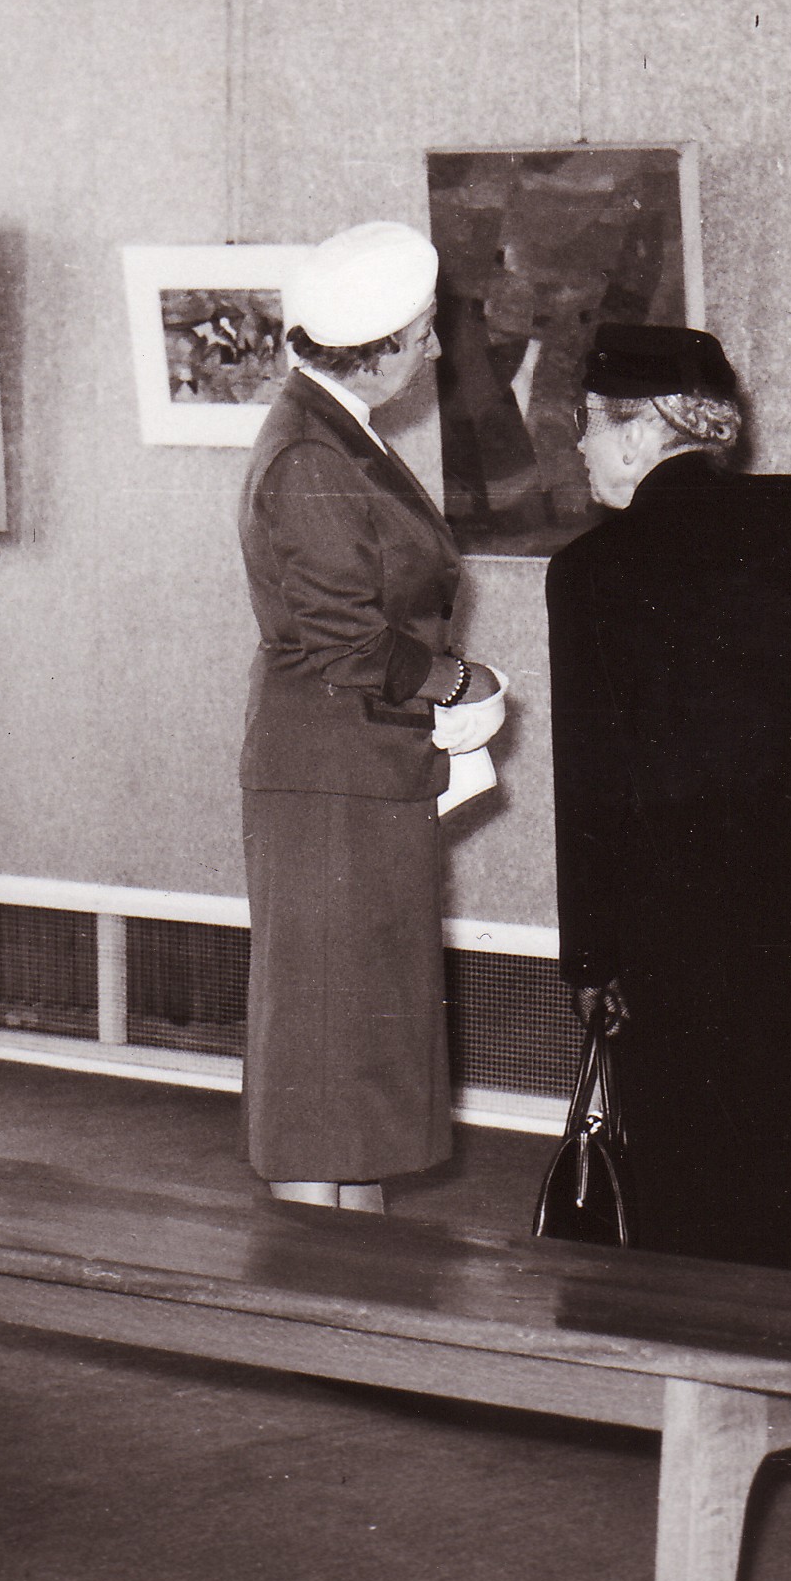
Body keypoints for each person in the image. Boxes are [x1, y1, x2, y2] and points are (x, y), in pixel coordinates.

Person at [544, 322, 791, 1277]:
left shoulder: (589, 572)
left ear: (640, 431)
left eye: (587, 422)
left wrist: (588, 955)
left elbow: (591, 777)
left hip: (677, 895)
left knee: (699, 1161)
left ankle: (711, 1356)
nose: (579, 444)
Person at [235, 220, 504, 1213]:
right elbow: (346, 645)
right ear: (377, 349)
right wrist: (461, 681)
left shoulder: (330, 431)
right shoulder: (311, 453)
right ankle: (315, 1280)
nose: (432, 350)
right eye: (424, 332)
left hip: (355, 770)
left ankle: (355, 1269)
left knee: (357, 1045)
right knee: (323, 1051)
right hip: (330, 777)